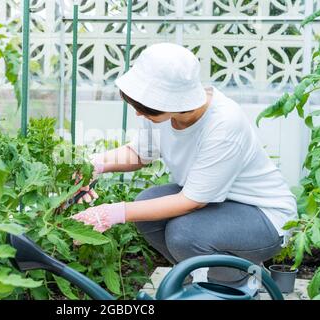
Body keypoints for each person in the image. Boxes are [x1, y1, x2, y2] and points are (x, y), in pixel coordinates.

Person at [71, 42, 297, 288]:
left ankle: (238, 282)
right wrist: (94, 165)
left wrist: (110, 213)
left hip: (262, 216)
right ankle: (198, 277)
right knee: (146, 208)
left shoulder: (223, 123)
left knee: (185, 234)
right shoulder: (164, 114)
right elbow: (138, 153)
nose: (138, 114)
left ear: (174, 103)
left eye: (144, 108)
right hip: (219, 204)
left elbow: (192, 201)